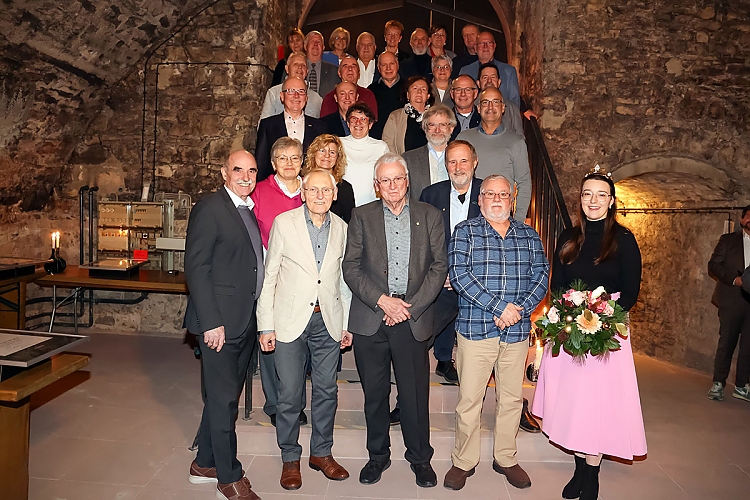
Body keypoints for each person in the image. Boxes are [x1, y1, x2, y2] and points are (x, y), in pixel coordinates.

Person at [532, 168, 646, 500]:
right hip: (570, 329)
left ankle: (592, 473)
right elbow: (557, 286)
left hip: (606, 332)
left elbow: (630, 292)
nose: (593, 200)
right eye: (587, 194)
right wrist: (566, 316)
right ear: (580, 199)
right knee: (575, 404)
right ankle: (579, 467)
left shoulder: (624, 239)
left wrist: (601, 316)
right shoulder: (568, 237)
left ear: (611, 201)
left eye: (600, 195)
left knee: (598, 405)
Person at [343, 153, 447, 488]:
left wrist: (408, 308)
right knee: (375, 395)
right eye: (385, 180)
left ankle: (420, 458)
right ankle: (377, 456)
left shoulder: (430, 215)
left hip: (412, 318)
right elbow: (350, 267)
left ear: (407, 181)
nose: (392, 186)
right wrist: (383, 301)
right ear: (377, 185)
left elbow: (439, 267)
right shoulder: (361, 216)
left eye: (397, 179)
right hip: (372, 317)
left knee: (414, 395)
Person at [445, 174, 549, 491]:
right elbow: (459, 275)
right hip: (475, 330)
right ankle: (463, 461)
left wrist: (518, 309)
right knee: (469, 401)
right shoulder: (465, 232)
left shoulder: (529, 235)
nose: (496, 199)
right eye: (490, 194)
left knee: (511, 399)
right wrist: (499, 308)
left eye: (503, 194)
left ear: (511, 200)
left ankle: (505, 458)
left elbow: (541, 275)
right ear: (480, 200)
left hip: (516, 332)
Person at [257, 169, 353, 491]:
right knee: (289, 393)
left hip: (328, 321)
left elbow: (343, 281)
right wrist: (265, 325)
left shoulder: (342, 228)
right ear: (303, 193)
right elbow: (270, 276)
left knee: (327, 390)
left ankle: (321, 453)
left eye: (325, 190)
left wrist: (346, 324)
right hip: (289, 321)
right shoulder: (284, 224)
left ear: (334, 194)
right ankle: (290, 457)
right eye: (313, 190)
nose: (319, 195)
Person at [184, 150, 263, 500]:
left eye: (252, 171)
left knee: (224, 396)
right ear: (224, 172)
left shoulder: (247, 209)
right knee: (223, 401)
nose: (246, 176)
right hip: (219, 324)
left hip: (244, 318)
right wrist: (211, 323)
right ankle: (229, 478)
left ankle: (204, 463)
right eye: (238, 170)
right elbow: (196, 268)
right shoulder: (210, 208)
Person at [419, 140, 482, 384]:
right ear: (446, 165)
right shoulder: (431, 194)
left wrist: (462, 275)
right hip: (440, 275)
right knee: (432, 319)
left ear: (474, 163)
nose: (458, 167)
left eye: (463, 161)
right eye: (452, 162)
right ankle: (443, 359)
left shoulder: (488, 192)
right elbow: (423, 240)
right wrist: (442, 273)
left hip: (477, 277)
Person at [457, 87, 531, 220]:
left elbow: (524, 183)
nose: (490, 107)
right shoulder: (464, 138)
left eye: (495, 102)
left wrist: (518, 220)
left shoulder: (516, 142)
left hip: (501, 215)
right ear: (478, 108)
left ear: (503, 108)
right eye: (485, 102)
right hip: (467, 215)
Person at [707, 205, 750, 402]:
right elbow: (713, 265)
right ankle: (718, 383)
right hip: (732, 298)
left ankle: (741, 385)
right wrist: (734, 280)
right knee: (727, 342)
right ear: (742, 220)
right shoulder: (728, 240)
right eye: (748, 216)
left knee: (748, 346)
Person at [255, 77, 326, 181]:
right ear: (282, 96)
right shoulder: (267, 125)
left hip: (311, 186)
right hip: (276, 186)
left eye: (301, 91)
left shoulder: (320, 127)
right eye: (291, 91)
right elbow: (261, 163)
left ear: (306, 97)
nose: (296, 95)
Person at [251, 137, 304, 248]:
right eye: (282, 158)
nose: (289, 163)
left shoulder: (312, 188)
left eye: (294, 158)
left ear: (301, 161)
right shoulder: (258, 191)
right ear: (273, 164)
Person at [403, 104, 456, 202]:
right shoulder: (408, 159)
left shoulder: (460, 158)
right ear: (425, 128)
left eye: (442, 125)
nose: (437, 130)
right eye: (432, 125)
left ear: (451, 128)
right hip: (421, 211)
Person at [341, 103, 389, 207]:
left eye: (363, 119)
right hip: (343, 205)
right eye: (354, 119)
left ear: (370, 124)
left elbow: (387, 178)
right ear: (348, 123)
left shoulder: (381, 146)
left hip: (372, 205)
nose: (358, 123)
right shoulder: (338, 144)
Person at [459, 31, 520, 108]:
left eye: (489, 43)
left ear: (494, 46)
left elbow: (515, 104)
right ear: (475, 48)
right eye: (481, 43)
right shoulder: (465, 71)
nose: (485, 46)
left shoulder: (509, 71)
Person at [303, 134, 355, 223]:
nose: (327, 155)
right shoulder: (303, 183)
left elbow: (350, 222)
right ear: (314, 154)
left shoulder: (345, 188)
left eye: (332, 152)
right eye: (322, 150)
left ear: (338, 157)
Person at [260, 52, 323, 121]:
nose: (300, 67)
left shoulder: (317, 99)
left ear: (307, 71)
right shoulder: (274, 94)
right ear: (287, 69)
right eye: (296, 64)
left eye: (303, 65)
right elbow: (265, 124)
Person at [381, 75, 433, 155]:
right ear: (408, 95)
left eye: (423, 89)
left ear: (428, 96)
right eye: (415, 88)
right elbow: (387, 142)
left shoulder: (435, 116)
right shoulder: (395, 116)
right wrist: (398, 160)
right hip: (402, 160)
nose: (419, 92)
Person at [319, 56, 378, 120]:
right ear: (339, 73)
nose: (350, 69)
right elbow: (324, 123)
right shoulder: (329, 98)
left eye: (354, 66)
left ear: (359, 73)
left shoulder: (368, 95)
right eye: (345, 66)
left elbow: (373, 121)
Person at [477, 62, 523, 137]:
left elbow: (520, 137)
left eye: (493, 77)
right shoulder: (472, 106)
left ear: (499, 82)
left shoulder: (512, 108)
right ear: (478, 83)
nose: (489, 81)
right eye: (485, 77)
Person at [368, 51, 404, 140]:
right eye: (384, 65)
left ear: (397, 65)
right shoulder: (371, 90)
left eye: (391, 64)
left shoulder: (408, 88)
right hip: (377, 140)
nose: (388, 68)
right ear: (378, 68)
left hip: (401, 139)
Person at [305, 31, 341, 97]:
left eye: (319, 42)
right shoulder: (298, 68)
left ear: (323, 47)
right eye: (312, 42)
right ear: (305, 46)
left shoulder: (334, 71)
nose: (315, 44)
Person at [449, 74, 480, 140]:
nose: (463, 94)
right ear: (452, 94)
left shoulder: (484, 119)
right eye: (458, 89)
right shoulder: (445, 120)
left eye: (467, 90)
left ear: (475, 93)